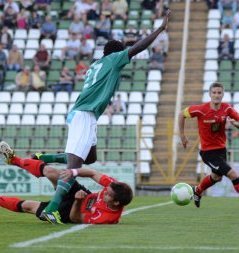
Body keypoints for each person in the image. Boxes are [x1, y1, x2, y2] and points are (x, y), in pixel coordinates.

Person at [31, 10, 171, 222]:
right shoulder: (114, 60)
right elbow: (137, 48)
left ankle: (44, 157)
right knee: (74, 168)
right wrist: (160, 29)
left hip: (86, 114)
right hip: (85, 114)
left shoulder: (96, 65)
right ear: (117, 53)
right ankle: (52, 207)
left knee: (91, 157)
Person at [0, 141, 133, 225]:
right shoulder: (115, 187)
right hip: (82, 193)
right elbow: (92, 172)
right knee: (52, 172)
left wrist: (78, 201)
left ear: (116, 202)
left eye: (108, 194)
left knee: (28, 206)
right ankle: (14, 159)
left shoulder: (107, 218)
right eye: (106, 190)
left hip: (68, 211)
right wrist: (73, 172)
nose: (105, 192)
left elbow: (75, 219)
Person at [178, 82, 239, 210]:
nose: (216, 95)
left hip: (221, 150)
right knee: (233, 175)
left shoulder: (227, 109)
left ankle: (197, 191)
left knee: (216, 177)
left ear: (223, 94)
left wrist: (235, 124)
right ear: (210, 94)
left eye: (219, 93)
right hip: (208, 152)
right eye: (214, 92)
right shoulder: (201, 109)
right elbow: (181, 114)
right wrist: (182, 135)